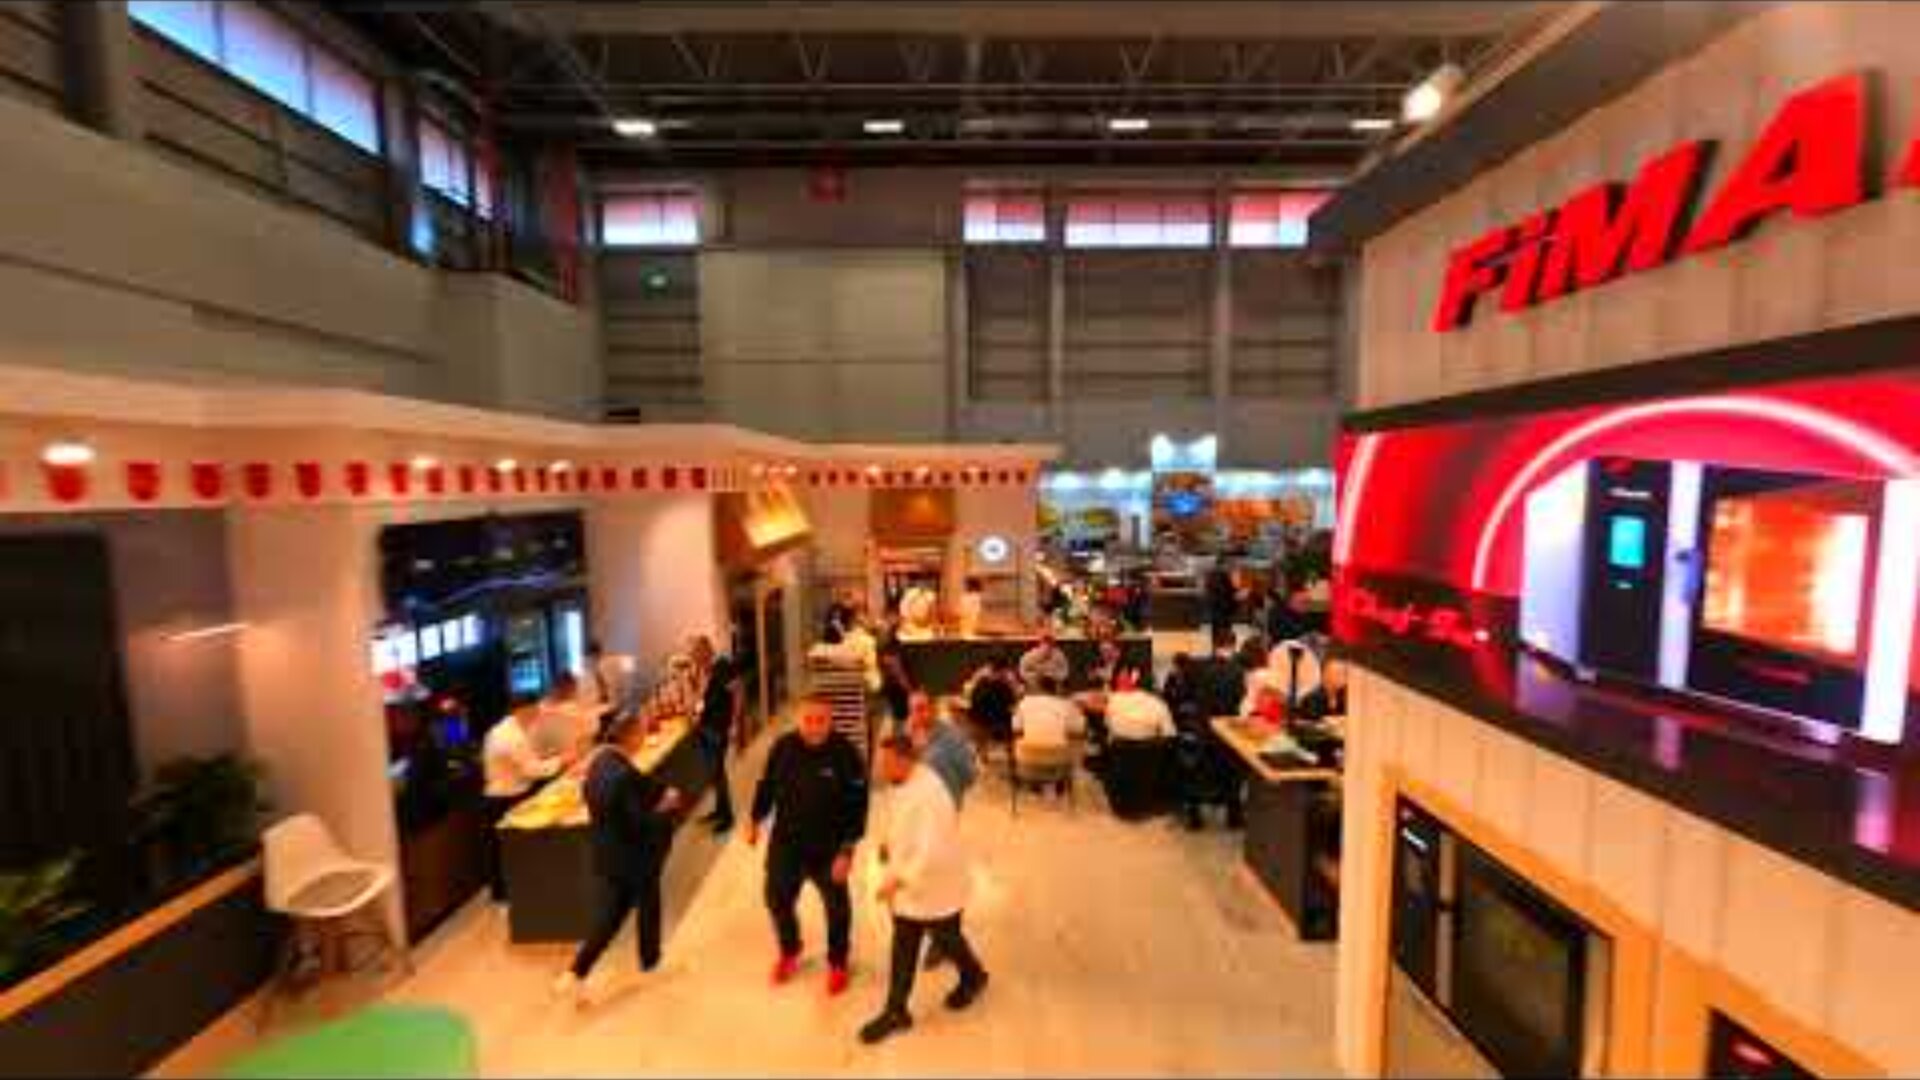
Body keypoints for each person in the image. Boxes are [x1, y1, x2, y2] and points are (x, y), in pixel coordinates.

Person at [859, 735, 988, 1046]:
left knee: (947, 937)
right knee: (904, 943)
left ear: (905, 760)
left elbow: (933, 849)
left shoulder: (931, 794)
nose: (879, 767)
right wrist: (889, 843)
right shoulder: (902, 780)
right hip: (912, 888)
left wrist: (898, 879)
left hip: (936, 886)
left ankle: (973, 976)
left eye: (885, 761)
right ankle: (896, 1011)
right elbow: (901, 818)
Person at [552, 715, 685, 1007]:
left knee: (610, 918)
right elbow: (637, 822)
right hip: (633, 857)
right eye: (641, 732)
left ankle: (576, 973)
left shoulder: (599, 764)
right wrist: (665, 808)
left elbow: (623, 801)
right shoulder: (621, 773)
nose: (643, 737)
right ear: (630, 736)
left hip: (608, 855)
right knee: (649, 906)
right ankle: (651, 965)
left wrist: (656, 798)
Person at [748, 695, 870, 996]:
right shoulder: (783, 747)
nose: (814, 726)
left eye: (821, 720)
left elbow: (858, 806)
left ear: (831, 720)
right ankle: (790, 950)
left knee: (837, 908)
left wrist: (846, 851)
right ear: (798, 719)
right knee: (776, 899)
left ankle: (838, 961)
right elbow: (765, 785)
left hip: (829, 847)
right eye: (808, 720)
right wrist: (754, 818)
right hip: (787, 843)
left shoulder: (846, 753)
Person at [481, 700, 573, 900]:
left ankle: (509, 891)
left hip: (506, 793)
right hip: (505, 797)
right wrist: (562, 760)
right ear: (523, 710)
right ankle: (506, 896)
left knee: (504, 851)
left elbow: (530, 759)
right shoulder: (510, 737)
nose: (537, 716)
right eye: (535, 712)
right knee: (508, 851)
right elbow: (530, 769)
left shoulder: (506, 728)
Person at [691, 635, 744, 834]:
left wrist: (734, 725)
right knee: (714, 773)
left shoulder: (723, 666)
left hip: (718, 728)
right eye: (692, 653)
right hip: (706, 727)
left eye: (696, 652)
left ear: (707, 650)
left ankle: (727, 817)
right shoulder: (703, 670)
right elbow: (703, 696)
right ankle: (719, 810)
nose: (693, 657)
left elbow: (738, 693)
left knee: (718, 774)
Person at [1012, 676, 1086, 794]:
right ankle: (1056, 781)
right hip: (1060, 763)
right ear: (1056, 689)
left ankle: (1035, 781)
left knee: (1020, 740)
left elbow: (1015, 728)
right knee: (1073, 741)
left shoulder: (1024, 703)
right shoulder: (1067, 705)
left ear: (1036, 688)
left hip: (1027, 762)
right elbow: (1079, 729)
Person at [1105, 667, 1176, 742]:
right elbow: (1170, 734)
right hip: (1153, 751)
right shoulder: (1159, 704)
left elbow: (1107, 725)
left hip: (1117, 751)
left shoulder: (1110, 701)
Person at [966, 655, 1019, 746]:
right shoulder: (1007, 678)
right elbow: (1015, 695)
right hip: (999, 715)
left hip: (984, 714)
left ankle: (983, 753)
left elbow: (970, 692)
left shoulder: (982, 675)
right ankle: (1010, 753)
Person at [877, 613, 915, 731]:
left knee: (898, 720)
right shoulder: (890, 645)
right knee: (900, 721)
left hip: (893, 687)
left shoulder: (886, 643)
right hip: (897, 688)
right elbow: (896, 668)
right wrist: (909, 688)